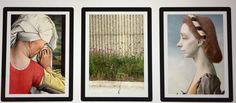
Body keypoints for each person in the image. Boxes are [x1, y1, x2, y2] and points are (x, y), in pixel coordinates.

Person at [10, 14, 64, 94]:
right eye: (44, 43)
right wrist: (48, 67)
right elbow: (65, 88)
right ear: (31, 42)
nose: (43, 48)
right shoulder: (35, 70)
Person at [177, 14, 223, 94]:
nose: (179, 44)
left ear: (200, 41)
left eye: (184, 38)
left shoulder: (208, 81)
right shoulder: (202, 74)